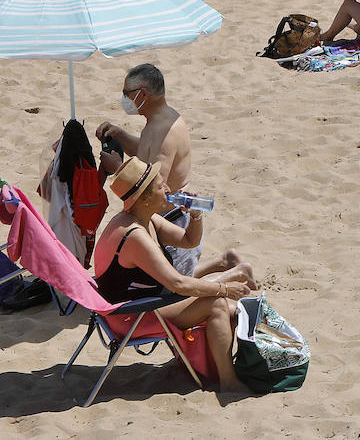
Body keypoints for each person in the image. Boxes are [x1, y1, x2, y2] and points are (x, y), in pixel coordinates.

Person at [94, 157, 257, 391]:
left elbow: (189, 241)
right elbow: (178, 283)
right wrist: (225, 289)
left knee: (227, 307)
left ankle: (218, 370)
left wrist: (196, 214)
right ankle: (229, 382)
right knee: (218, 305)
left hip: (139, 305)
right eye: (161, 186)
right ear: (145, 198)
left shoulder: (142, 219)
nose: (168, 189)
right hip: (129, 317)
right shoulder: (134, 235)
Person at [96, 63, 198, 273]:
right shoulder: (162, 118)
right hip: (169, 219)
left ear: (142, 94)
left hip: (172, 223)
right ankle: (225, 263)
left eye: (127, 93)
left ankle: (229, 267)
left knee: (177, 292)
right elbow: (148, 155)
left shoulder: (164, 131)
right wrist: (121, 136)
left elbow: (149, 189)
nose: (124, 98)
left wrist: (117, 167)